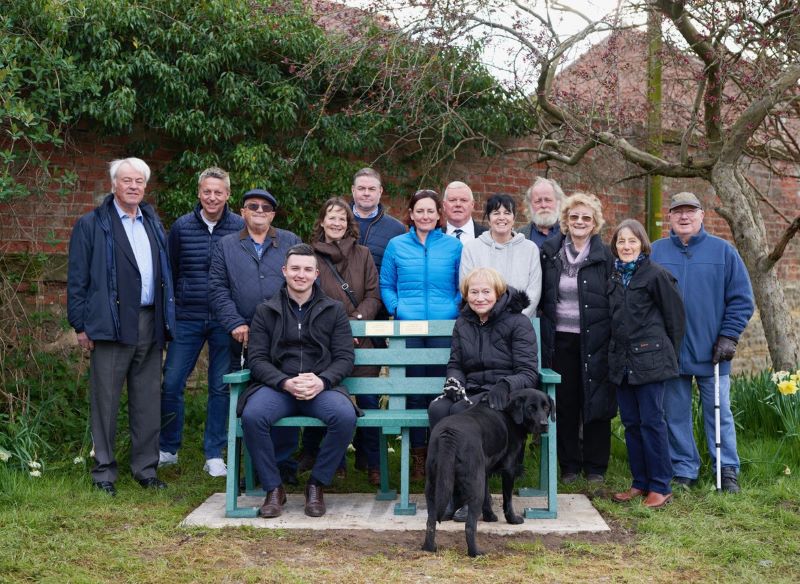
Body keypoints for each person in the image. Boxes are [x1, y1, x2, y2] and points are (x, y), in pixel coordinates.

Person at [67, 157, 175, 496]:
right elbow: (77, 278)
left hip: (149, 320)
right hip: (109, 324)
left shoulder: (153, 223)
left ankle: (145, 469)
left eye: (139, 182)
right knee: (106, 401)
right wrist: (80, 325)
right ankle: (104, 473)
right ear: (114, 184)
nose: (133, 186)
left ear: (145, 187)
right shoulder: (92, 224)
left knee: (147, 401)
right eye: (126, 180)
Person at [238, 244, 357, 518]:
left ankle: (316, 484)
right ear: (284, 271)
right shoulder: (265, 310)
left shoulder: (334, 310)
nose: (300, 275)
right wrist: (284, 382)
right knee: (253, 415)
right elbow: (256, 360)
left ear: (316, 274)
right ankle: (273, 487)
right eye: (294, 269)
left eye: (306, 269)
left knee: (345, 416)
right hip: (278, 388)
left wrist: (322, 381)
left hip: (320, 388)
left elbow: (344, 357)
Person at [650, 192, 755, 493]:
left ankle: (727, 468)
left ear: (702, 215)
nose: (684, 217)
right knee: (675, 413)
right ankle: (684, 468)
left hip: (713, 352)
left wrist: (729, 336)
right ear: (668, 217)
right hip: (671, 352)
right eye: (677, 211)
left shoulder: (723, 252)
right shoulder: (656, 252)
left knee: (719, 412)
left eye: (690, 211)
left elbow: (742, 299)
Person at [208, 188, 302, 484]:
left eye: (265, 207)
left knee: (285, 392)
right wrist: (234, 322)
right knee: (244, 399)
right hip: (242, 335)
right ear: (243, 211)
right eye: (253, 206)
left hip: (283, 336)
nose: (259, 211)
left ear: (272, 214)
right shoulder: (226, 245)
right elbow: (217, 288)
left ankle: (283, 462)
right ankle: (249, 464)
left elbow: (302, 282)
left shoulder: (289, 241)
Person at [159, 167, 244, 477]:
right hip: (187, 317)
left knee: (220, 387)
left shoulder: (239, 227)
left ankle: (214, 453)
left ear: (227, 195)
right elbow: (171, 269)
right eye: (207, 191)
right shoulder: (182, 227)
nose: (212, 197)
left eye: (218, 192)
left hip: (225, 319)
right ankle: (168, 448)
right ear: (199, 193)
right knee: (171, 383)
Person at [299, 197, 383, 485]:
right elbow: (305, 294)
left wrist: (357, 324)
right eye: (331, 217)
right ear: (322, 221)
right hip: (323, 344)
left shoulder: (363, 254)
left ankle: (373, 460)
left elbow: (374, 295)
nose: (336, 223)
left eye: (342, 219)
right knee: (325, 399)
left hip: (361, 341)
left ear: (349, 224)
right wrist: (334, 331)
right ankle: (330, 460)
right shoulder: (310, 255)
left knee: (369, 400)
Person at [380, 189, 462, 479]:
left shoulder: (453, 246)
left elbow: (460, 285)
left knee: (441, 392)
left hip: (444, 328)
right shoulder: (396, 245)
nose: (425, 216)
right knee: (413, 392)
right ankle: (417, 456)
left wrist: (452, 309)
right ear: (411, 214)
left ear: (439, 215)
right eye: (420, 211)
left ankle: (440, 454)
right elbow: (386, 284)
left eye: (431, 211)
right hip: (409, 328)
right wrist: (398, 309)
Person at [608, 219, 685, 509]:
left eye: (632, 241)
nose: (626, 247)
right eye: (621, 242)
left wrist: (668, 357)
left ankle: (661, 485)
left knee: (652, 422)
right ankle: (640, 482)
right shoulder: (614, 277)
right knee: (631, 423)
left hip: (651, 360)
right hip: (622, 362)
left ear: (642, 244)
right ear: (615, 247)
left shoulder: (656, 276)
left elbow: (675, 320)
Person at [539, 192, 615, 484]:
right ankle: (569, 465)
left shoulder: (605, 256)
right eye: (574, 217)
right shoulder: (550, 252)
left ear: (595, 223)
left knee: (596, 401)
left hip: (595, 339)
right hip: (560, 340)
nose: (580, 222)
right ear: (566, 222)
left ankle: (596, 467)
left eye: (586, 218)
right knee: (566, 404)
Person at [429, 267, 538, 428]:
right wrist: (455, 383)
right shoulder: (462, 323)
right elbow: (456, 364)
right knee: (437, 409)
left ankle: (468, 453)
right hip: (472, 390)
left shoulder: (518, 322)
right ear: (466, 295)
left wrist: (505, 385)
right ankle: (442, 453)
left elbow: (528, 373)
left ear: (498, 293)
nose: (480, 298)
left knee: (461, 410)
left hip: (504, 392)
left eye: (486, 292)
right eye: (474, 292)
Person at [460, 193, 542, 316]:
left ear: (514, 218)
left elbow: (534, 292)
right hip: (483, 323)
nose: (502, 217)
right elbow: (465, 288)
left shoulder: (530, 249)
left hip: (520, 323)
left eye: (507, 213)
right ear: (488, 219)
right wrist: (488, 319)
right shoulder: (471, 248)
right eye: (496, 213)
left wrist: (517, 320)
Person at [350, 167, 406, 273]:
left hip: (378, 289)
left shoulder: (397, 229)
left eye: (372, 189)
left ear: (380, 191)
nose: (366, 193)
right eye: (361, 188)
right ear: (353, 190)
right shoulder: (335, 224)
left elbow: (399, 270)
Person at [519, 177, 565, 249]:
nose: (543, 205)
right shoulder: (518, 236)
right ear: (530, 205)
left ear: (558, 202)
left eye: (548, 200)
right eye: (538, 201)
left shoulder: (570, 233)